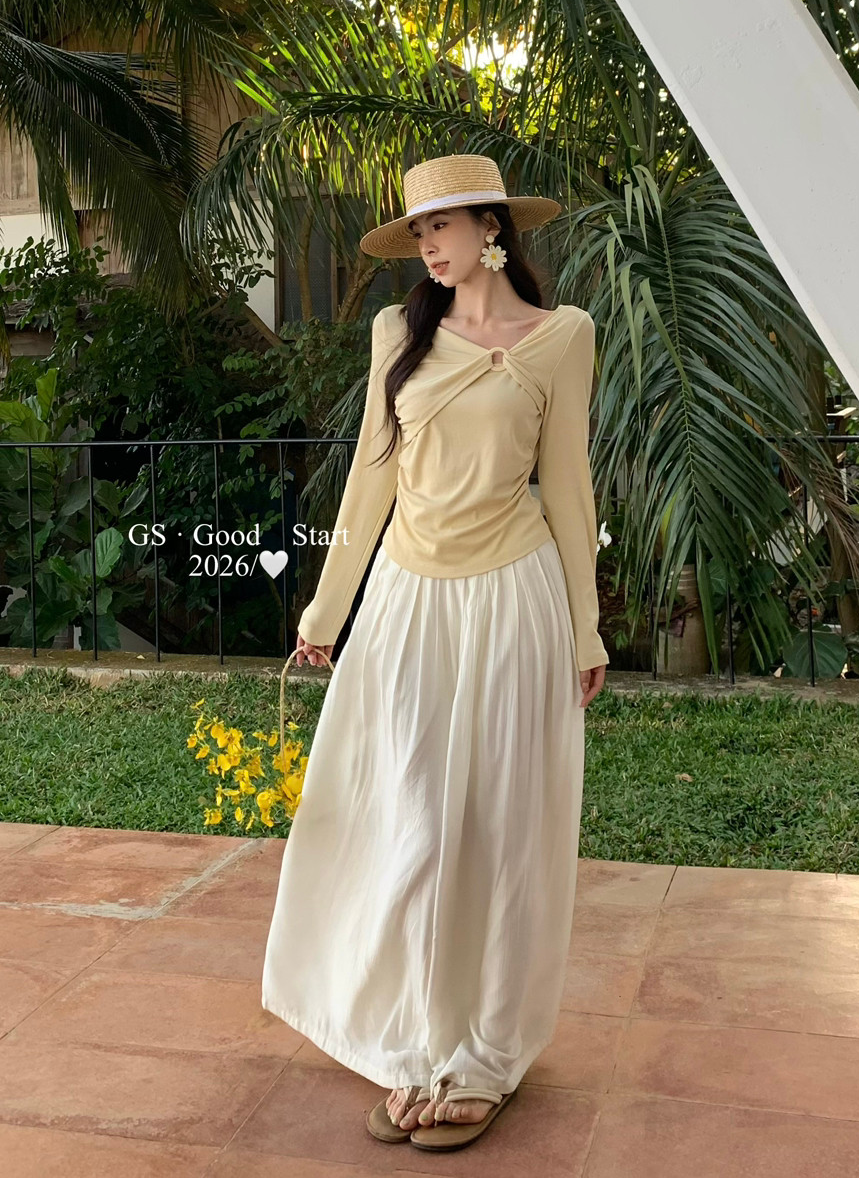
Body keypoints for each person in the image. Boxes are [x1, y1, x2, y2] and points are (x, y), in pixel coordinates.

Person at [260, 152, 609, 1154]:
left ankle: (483, 1058)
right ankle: (416, 1045)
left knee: (500, 832)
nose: (427, 246)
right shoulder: (397, 332)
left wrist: (585, 626)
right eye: (417, 231)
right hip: (408, 601)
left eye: (441, 226)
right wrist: (326, 610)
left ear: (491, 225)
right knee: (407, 822)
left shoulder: (563, 336)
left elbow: (569, 488)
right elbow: (370, 479)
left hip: (514, 600)